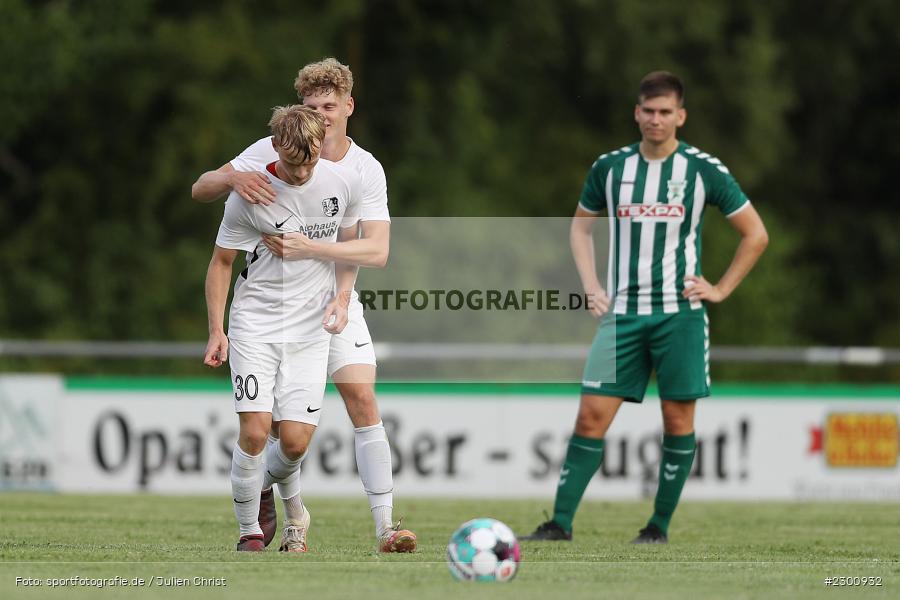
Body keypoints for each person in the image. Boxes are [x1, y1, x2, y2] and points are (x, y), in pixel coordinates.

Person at [522, 71, 769, 544]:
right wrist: (592, 284)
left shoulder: (702, 170)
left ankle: (657, 527)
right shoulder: (611, 168)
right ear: (637, 113)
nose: (655, 120)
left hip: (680, 314)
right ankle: (560, 523)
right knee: (590, 415)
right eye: (648, 111)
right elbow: (579, 228)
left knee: (677, 420)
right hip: (623, 316)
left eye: (665, 112)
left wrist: (720, 288)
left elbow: (755, 234)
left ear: (681, 115)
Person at [192, 58, 416, 553]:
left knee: (362, 399)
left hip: (334, 300)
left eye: (330, 105)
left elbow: (374, 250)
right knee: (282, 434)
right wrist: (231, 179)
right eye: (311, 105)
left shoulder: (362, 169)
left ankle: (386, 527)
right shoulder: (269, 150)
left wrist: (329, 277)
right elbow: (200, 189)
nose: (322, 114)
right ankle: (270, 502)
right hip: (274, 308)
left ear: (348, 107)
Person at [204, 104, 361, 552]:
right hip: (255, 322)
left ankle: (289, 504)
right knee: (255, 432)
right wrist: (217, 329)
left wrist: (342, 296)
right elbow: (221, 262)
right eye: (292, 163)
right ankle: (248, 531)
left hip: (311, 330)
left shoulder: (339, 183)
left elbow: (349, 249)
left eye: (309, 160)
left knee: (292, 444)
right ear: (275, 147)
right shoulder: (251, 193)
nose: (300, 172)